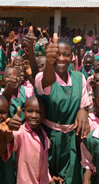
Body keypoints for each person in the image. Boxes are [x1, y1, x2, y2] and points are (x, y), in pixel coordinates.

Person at [34, 34, 90, 183]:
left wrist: (83, 110)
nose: (62, 58)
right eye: (57, 55)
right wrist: (49, 63)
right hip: (48, 137)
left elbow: (83, 104)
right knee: (48, 176)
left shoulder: (79, 77)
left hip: (70, 139)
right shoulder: (42, 76)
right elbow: (48, 82)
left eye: (66, 55)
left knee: (70, 177)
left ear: (72, 57)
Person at [0, 96, 53, 184]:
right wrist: (5, 133)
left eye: (39, 112)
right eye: (30, 111)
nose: (34, 116)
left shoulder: (45, 135)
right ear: (23, 112)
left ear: (44, 114)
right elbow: (9, 141)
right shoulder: (21, 132)